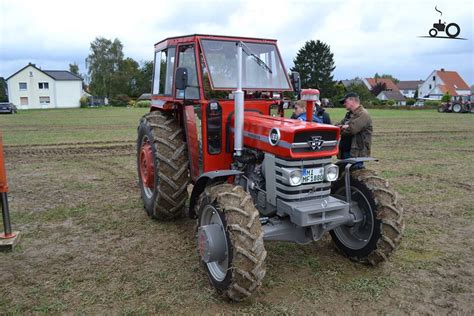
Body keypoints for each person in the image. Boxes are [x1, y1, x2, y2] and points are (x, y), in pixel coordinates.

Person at [336, 92, 373, 167]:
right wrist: (343, 126)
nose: (344, 104)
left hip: (356, 153)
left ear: (352, 101)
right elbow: (336, 126)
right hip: (346, 151)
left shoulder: (363, 114)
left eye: (345, 102)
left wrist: (343, 127)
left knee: (354, 174)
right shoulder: (350, 114)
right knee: (344, 174)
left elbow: (352, 130)